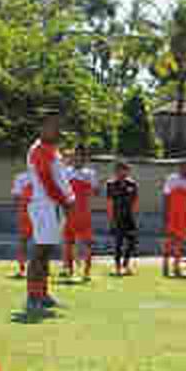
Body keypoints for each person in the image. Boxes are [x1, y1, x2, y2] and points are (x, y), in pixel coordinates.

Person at [24, 112, 75, 314]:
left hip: (53, 207)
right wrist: (65, 202)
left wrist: (66, 201)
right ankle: (32, 297)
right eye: (51, 125)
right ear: (41, 127)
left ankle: (43, 294)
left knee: (46, 253)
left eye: (57, 125)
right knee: (40, 252)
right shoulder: (38, 150)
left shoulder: (52, 150)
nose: (56, 129)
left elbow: (58, 179)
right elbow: (47, 181)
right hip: (45, 206)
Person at [63, 147, 100, 279]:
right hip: (69, 212)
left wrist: (89, 189)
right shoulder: (66, 172)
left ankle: (87, 271)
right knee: (69, 242)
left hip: (84, 212)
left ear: (84, 158)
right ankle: (70, 270)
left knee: (87, 242)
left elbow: (96, 191)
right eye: (75, 156)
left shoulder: (90, 173)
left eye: (81, 156)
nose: (77, 158)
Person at [106, 161, 140, 276]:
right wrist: (111, 219)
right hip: (117, 216)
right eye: (119, 170)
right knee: (118, 243)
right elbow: (110, 202)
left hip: (129, 217)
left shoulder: (132, 184)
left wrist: (134, 216)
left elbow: (135, 201)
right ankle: (117, 266)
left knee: (132, 241)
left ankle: (126, 264)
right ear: (116, 171)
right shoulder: (111, 184)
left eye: (125, 170)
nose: (122, 172)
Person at [161, 161, 186, 278]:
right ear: (179, 168)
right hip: (172, 214)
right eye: (182, 167)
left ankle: (177, 267)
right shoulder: (172, 179)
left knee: (179, 241)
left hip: (183, 215)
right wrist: (166, 214)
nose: (184, 169)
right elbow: (165, 196)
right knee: (169, 240)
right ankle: (165, 266)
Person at [11, 170, 34, 277]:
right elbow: (16, 196)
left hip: (41, 213)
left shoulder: (45, 176)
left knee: (42, 242)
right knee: (23, 240)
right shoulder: (21, 177)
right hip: (25, 213)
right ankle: (22, 268)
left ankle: (41, 267)